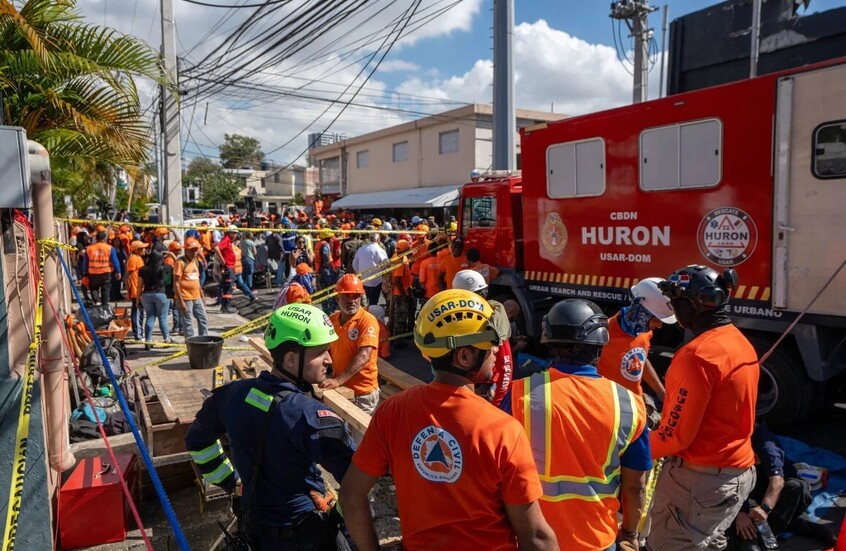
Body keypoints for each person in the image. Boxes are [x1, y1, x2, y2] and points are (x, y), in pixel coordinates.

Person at [340, 289, 559, 551]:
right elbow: (535, 537)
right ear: (464, 356)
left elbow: (351, 496)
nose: (496, 352)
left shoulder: (393, 411)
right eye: (490, 346)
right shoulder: (503, 429)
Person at [185, 303, 357, 550]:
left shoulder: (233, 394)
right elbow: (358, 481)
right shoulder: (310, 416)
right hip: (306, 535)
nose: (329, 360)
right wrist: (337, 515)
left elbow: (197, 441)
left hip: (255, 529)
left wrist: (232, 483)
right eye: (320, 352)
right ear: (291, 359)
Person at [501, 298, 651, 551]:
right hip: (596, 540)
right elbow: (636, 486)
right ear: (600, 345)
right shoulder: (628, 404)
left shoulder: (517, 395)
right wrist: (629, 532)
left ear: (549, 342)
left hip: (531, 538)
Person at [648, 265, 758, 551]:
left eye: (675, 303)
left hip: (700, 485)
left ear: (690, 305)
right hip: (735, 478)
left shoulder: (696, 357)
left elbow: (674, 437)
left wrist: (628, 451)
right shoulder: (738, 340)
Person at [729, 423, 837, 551]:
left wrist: (764, 509)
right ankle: (795, 525)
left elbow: (777, 481)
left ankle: (764, 540)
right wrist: (741, 512)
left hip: (775, 492)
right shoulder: (731, 439)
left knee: (797, 487)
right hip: (748, 490)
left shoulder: (766, 445)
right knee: (741, 521)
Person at [596, 278, 675, 400]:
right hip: (611, 405)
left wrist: (660, 391)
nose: (659, 326)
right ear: (640, 310)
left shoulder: (645, 332)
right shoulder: (602, 335)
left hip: (634, 403)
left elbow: (639, 360)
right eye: (656, 320)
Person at [319, 274, 381, 414]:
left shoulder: (367, 321)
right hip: (340, 388)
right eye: (347, 296)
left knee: (360, 428)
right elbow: (323, 349)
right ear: (337, 298)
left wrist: (337, 381)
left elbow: (364, 356)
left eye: (355, 296)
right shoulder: (332, 320)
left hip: (362, 393)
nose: (351, 300)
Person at [452, 269, 514, 407]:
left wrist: (498, 402)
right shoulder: (453, 321)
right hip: (467, 388)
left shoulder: (491, 322)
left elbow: (505, 366)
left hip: (485, 388)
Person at [174, 238, 208, 339]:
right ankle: (191, 342)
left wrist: (202, 295)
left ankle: (204, 340)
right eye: (192, 250)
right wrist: (181, 301)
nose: (194, 252)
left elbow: (196, 280)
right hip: (185, 298)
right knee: (187, 322)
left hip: (197, 297)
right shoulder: (180, 262)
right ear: (186, 250)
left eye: (196, 250)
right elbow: (176, 283)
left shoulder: (195, 261)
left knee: (203, 319)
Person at [137, 250, 172, 349]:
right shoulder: (166, 268)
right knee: (163, 318)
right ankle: (167, 339)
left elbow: (139, 286)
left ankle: (148, 341)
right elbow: (174, 269)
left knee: (150, 317)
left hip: (146, 295)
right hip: (161, 294)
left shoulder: (142, 269)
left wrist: (137, 300)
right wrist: (172, 255)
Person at [84, 230, 121, 305]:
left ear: (96, 239)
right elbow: (115, 261)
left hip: (93, 272)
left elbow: (85, 262)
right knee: (105, 288)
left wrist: (85, 272)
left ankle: (97, 301)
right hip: (106, 272)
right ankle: (104, 305)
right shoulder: (109, 248)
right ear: (104, 239)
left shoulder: (89, 248)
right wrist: (118, 271)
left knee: (93, 287)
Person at [352, 231, 388, 307]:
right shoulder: (380, 250)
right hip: (376, 281)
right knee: (373, 302)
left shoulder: (361, 249)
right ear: (378, 239)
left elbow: (354, 263)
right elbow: (385, 264)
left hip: (363, 280)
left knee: (363, 302)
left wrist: (359, 273)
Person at [389, 239, 414, 341]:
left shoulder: (396, 256)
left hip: (399, 291)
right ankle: (398, 341)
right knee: (400, 318)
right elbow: (397, 281)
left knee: (395, 316)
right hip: (400, 293)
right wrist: (404, 293)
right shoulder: (400, 260)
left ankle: (393, 337)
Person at [126, 241, 148, 341]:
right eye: (142, 248)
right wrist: (130, 290)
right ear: (136, 250)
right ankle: (138, 334)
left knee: (139, 311)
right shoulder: (134, 259)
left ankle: (139, 333)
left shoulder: (137, 258)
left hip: (138, 289)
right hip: (136, 290)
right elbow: (129, 277)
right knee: (137, 312)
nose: (144, 250)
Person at [314, 229, 338, 313]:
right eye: (330, 237)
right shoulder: (325, 245)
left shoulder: (318, 244)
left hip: (319, 270)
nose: (331, 238)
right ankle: (331, 310)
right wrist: (332, 269)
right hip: (326, 270)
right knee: (331, 290)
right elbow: (326, 258)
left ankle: (325, 310)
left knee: (323, 292)